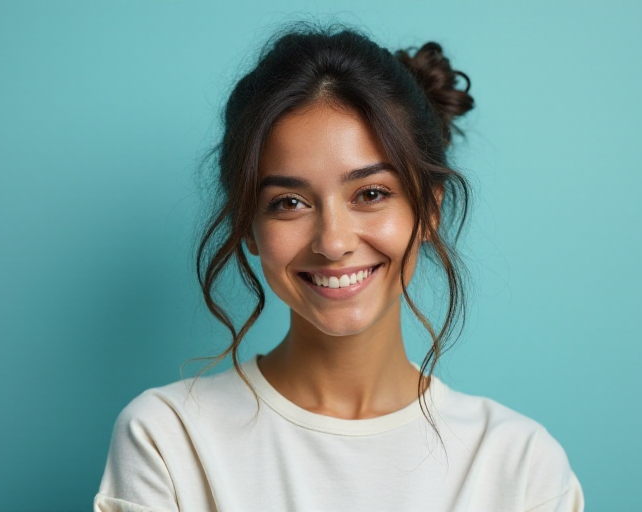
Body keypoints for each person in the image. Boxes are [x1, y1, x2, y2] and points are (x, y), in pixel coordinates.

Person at [94, 25, 583, 512]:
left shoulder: (519, 466)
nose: (333, 242)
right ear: (247, 227)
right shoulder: (167, 439)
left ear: (429, 209)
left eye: (370, 194)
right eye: (288, 202)